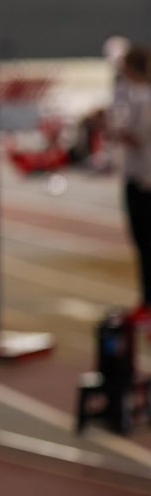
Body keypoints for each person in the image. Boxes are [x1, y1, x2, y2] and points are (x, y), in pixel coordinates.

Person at [109, 45, 151, 311]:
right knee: (144, 246)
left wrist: (116, 129)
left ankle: (148, 302)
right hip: (139, 178)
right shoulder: (134, 95)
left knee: (146, 244)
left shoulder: (142, 98)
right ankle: (146, 301)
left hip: (145, 181)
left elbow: (137, 136)